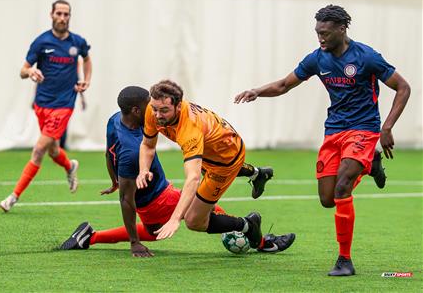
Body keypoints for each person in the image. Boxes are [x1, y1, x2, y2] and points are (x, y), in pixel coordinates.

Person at [234, 5, 410, 276]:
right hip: (334, 132)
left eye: (325, 33)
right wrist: (257, 91)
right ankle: (370, 164)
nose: (320, 38)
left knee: (342, 188)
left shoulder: (367, 57)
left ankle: (344, 260)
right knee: (328, 199)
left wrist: (387, 128)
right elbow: (284, 85)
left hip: (364, 129)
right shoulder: (317, 59)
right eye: (317, 32)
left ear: (342, 29)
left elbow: (403, 87)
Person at [60, 86, 295, 257]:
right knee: (180, 222)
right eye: (150, 109)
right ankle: (249, 224)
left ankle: (259, 237)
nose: (155, 114)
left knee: (196, 215)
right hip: (158, 197)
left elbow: (109, 152)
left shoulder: (115, 120)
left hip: (219, 161)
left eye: (161, 109)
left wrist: (116, 180)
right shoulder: (133, 150)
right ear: (136, 111)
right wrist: (134, 242)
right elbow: (126, 199)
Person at [136, 80, 274, 251]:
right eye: (155, 109)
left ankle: (249, 225)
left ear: (179, 106)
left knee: (194, 220)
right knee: (203, 165)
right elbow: (147, 145)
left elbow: (193, 179)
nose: (157, 115)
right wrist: (143, 169)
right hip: (212, 149)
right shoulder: (153, 109)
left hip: (225, 160)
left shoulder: (190, 131)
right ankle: (257, 174)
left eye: (164, 110)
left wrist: (175, 218)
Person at [0, 0, 92, 212]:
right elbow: (23, 70)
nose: (62, 18)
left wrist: (87, 79)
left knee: (39, 149)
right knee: (52, 150)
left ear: (70, 17)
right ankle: (70, 166)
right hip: (42, 104)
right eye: (58, 13)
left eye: (66, 14)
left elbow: (87, 59)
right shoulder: (41, 42)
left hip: (64, 105)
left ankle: (13, 197)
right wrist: (31, 71)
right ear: (52, 15)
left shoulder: (77, 42)